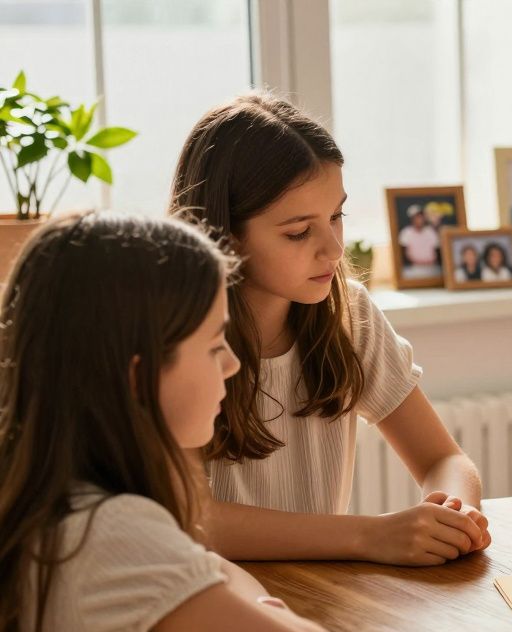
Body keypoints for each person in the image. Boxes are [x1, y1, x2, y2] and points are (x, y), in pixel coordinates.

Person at [0, 212, 364, 632]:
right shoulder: (114, 532)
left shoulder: (55, 503)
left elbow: (206, 563)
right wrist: (267, 629)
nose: (232, 365)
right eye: (215, 345)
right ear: (139, 377)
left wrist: (247, 623)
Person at [169, 93, 490, 566]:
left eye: (337, 216)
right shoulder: (175, 335)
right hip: (210, 594)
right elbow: (192, 518)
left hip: (323, 592)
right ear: (225, 235)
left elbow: (444, 459)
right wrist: (368, 536)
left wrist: (454, 514)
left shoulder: (348, 314)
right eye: (299, 232)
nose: (334, 249)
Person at [398, 203, 440, 276]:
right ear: (412, 219)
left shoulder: (430, 231)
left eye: (421, 217)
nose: (420, 219)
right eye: (417, 217)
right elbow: (403, 253)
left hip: (432, 267)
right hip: (413, 269)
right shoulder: (406, 232)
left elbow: (437, 250)